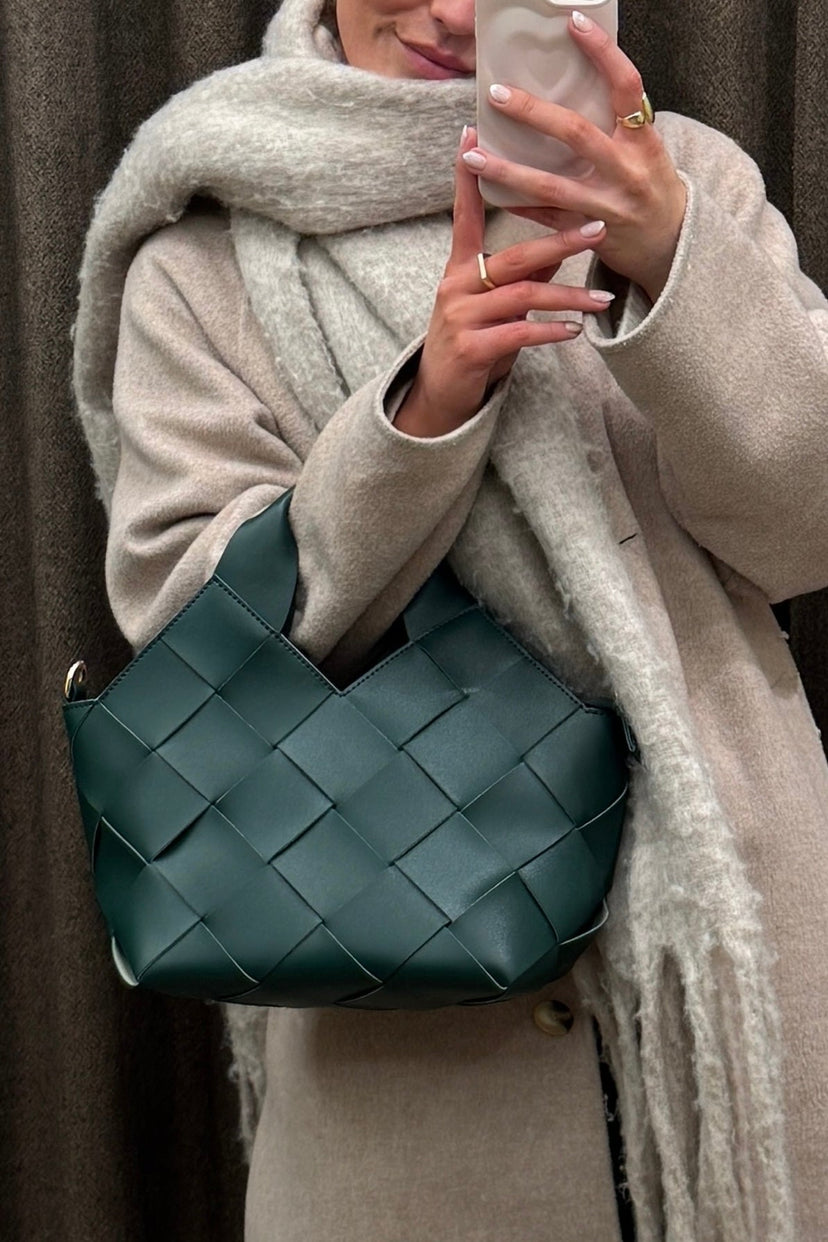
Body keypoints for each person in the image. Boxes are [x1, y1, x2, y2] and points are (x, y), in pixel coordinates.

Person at [71, 0, 828, 1238]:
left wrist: (673, 260)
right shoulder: (205, 256)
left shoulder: (685, 180)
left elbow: (806, 534)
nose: (450, 13)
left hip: (739, 1013)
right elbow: (191, 639)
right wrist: (423, 412)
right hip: (410, 1072)